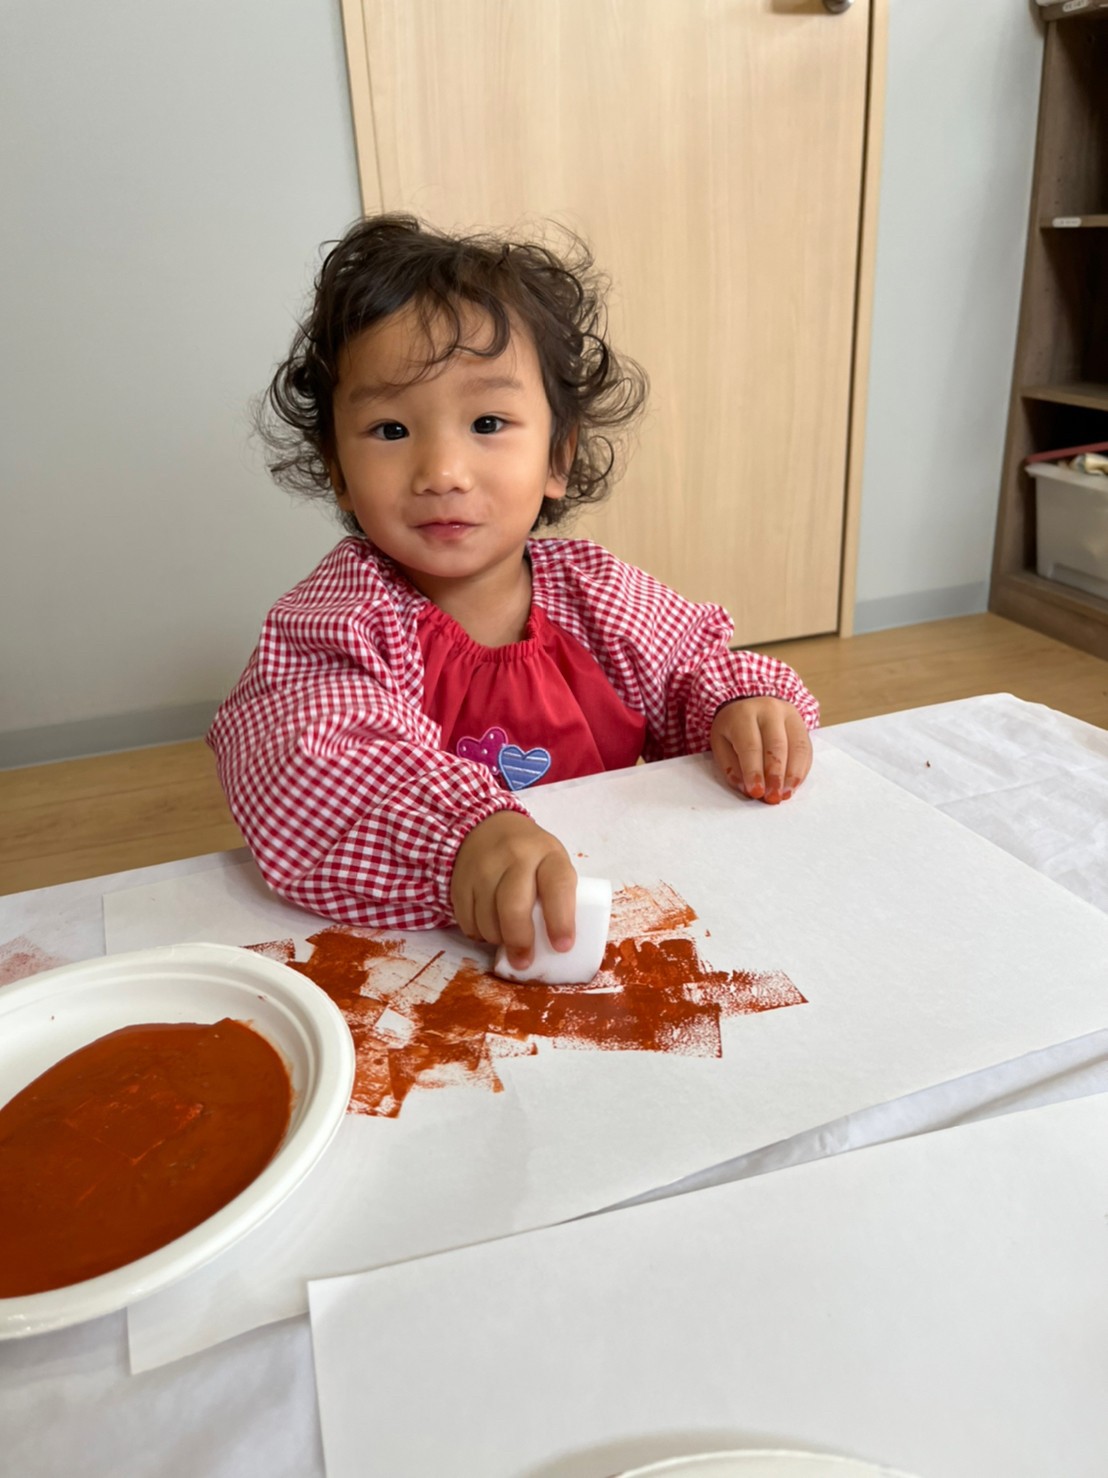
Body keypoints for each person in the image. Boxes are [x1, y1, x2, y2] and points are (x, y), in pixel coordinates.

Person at [210, 214, 818, 973]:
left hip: (607, 918)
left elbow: (693, 670)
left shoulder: (597, 596)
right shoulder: (340, 620)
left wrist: (738, 707)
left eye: (488, 422)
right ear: (338, 471)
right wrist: (463, 836)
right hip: (425, 951)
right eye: (391, 430)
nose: (442, 471)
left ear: (557, 457)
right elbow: (308, 759)